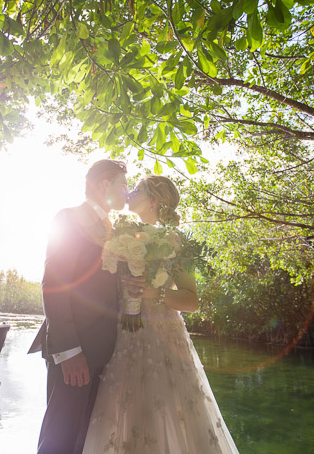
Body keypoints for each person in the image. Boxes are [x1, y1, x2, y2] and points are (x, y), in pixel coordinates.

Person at [82, 175, 240, 454]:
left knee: (166, 410)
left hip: (163, 339)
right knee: (122, 412)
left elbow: (192, 301)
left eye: (138, 189)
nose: (130, 192)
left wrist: (155, 294)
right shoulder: (119, 234)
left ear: (154, 200)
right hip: (121, 337)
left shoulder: (175, 242)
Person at [28, 159, 129, 454]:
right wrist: (69, 350)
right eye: (123, 185)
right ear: (104, 185)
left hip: (104, 351)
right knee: (60, 438)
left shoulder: (114, 228)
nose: (127, 192)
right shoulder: (69, 218)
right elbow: (54, 284)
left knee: (84, 440)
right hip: (75, 351)